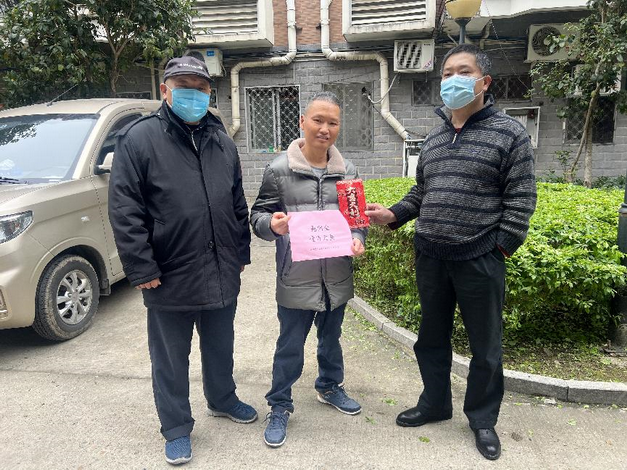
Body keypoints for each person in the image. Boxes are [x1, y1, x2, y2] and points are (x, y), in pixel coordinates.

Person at [365, 44, 537, 461]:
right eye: (446, 73)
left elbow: (521, 199)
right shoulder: (436, 136)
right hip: (431, 255)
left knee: (486, 346)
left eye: (463, 71)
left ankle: (482, 419)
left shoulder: (509, 133)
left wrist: (500, 248)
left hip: (480, 257)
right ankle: (435, 403)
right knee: (430, 339)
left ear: (484, 82)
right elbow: (423, 191)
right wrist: (393, 214)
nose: (452, 80)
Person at [108, 56, 256, 465]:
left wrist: (240, 252)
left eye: (200, 87)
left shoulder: (222, 141)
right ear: (165, 90)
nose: (193, 94)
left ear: (210, 92)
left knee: (220, 345)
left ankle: (222, 399)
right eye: (184, 86)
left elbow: (236, 203)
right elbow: (125, 209)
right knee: (171, 359)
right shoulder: (139, 139)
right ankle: (175, 428)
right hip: (169, 272)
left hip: (221, 267)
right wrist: (141, 267)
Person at [250, 91, 367, 448]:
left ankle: (329, 386)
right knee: (290, 346)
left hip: (336, 277)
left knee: (331, 340)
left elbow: (356, 219)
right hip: (295, 278)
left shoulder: (348, 171)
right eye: (318, 120)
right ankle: (279, 405)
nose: (324, 128)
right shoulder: (278, 170)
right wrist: (273, 225)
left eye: (332, 122)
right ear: (302, 122)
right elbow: (258, 216)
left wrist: (357, 237)